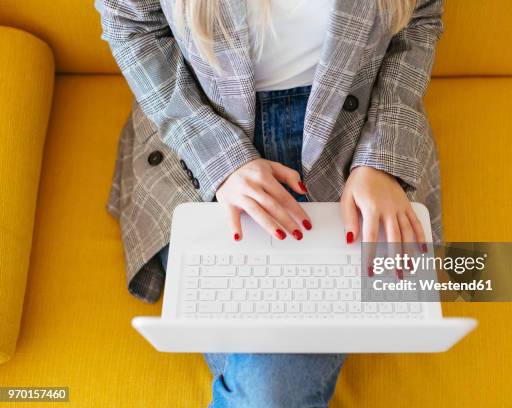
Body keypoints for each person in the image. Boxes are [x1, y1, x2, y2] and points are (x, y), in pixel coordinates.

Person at [96, 0, 444, 406]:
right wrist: (219, 159)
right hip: (201, 123)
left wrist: (382, 159)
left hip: (356, 136)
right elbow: (130, 23)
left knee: (271, 389)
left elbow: (420, 17)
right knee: (270, 390)